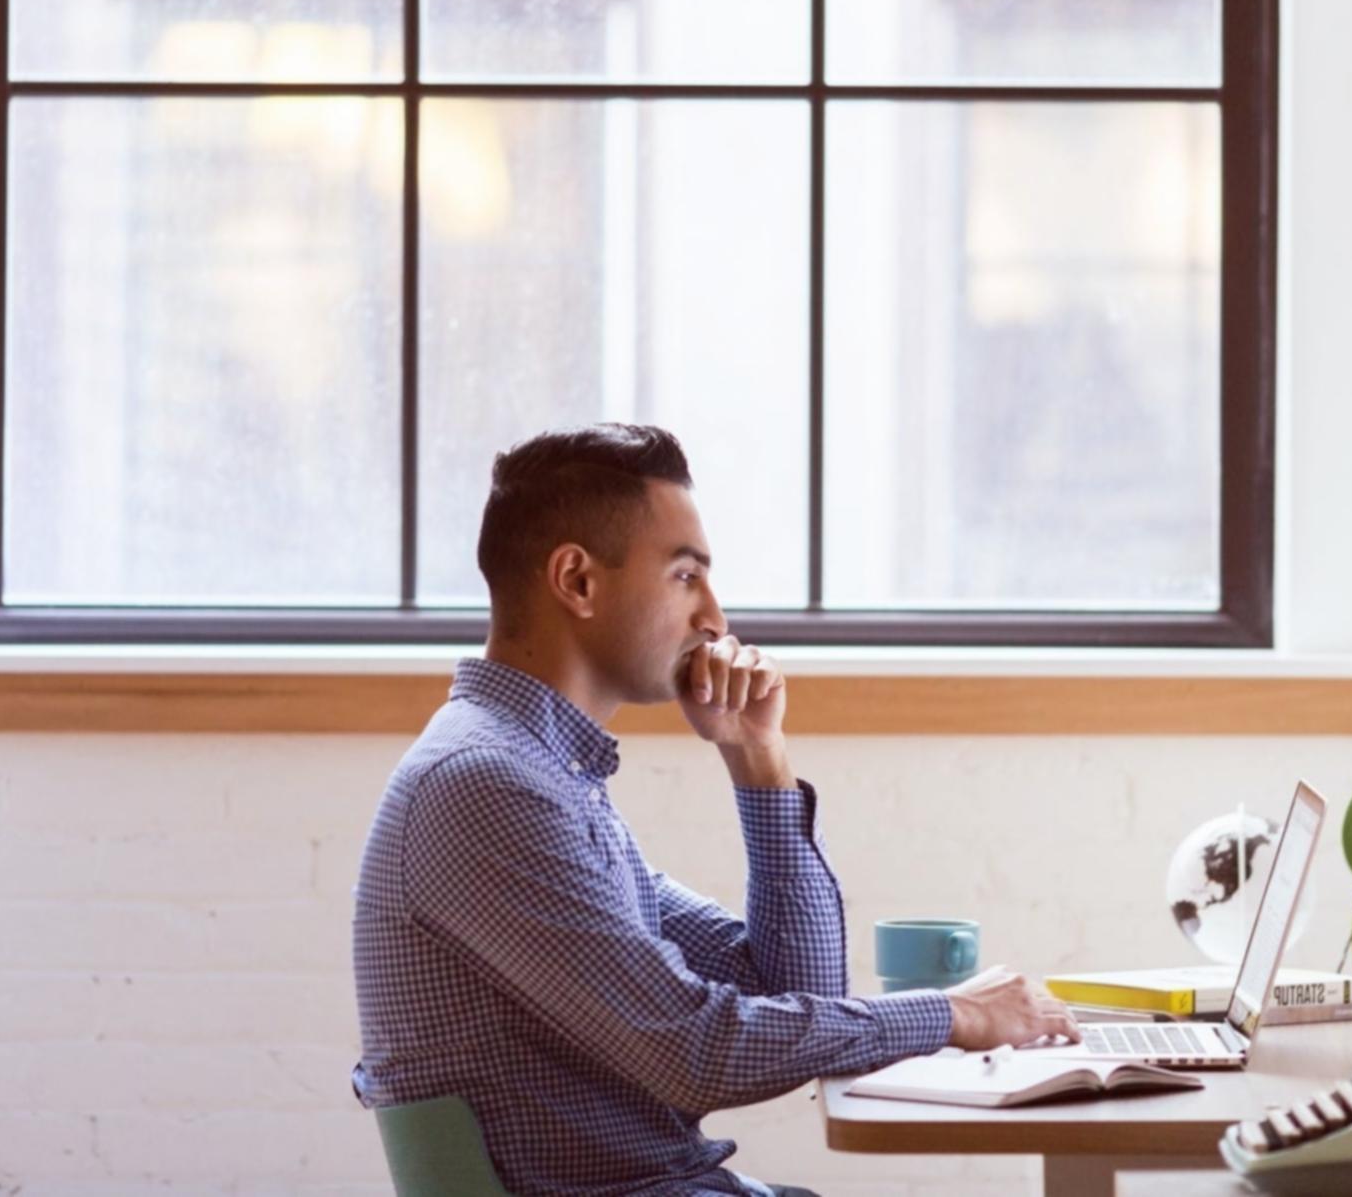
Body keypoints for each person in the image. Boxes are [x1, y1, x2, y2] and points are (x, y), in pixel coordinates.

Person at [351, 423, 1078, 1197]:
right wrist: (953, 1015)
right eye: (685, 576)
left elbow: (799, 992)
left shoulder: (550, 778)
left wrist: (756, 757)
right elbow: (696, 1052)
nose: (716, 619)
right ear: (578, 580)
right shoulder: (488, 786)